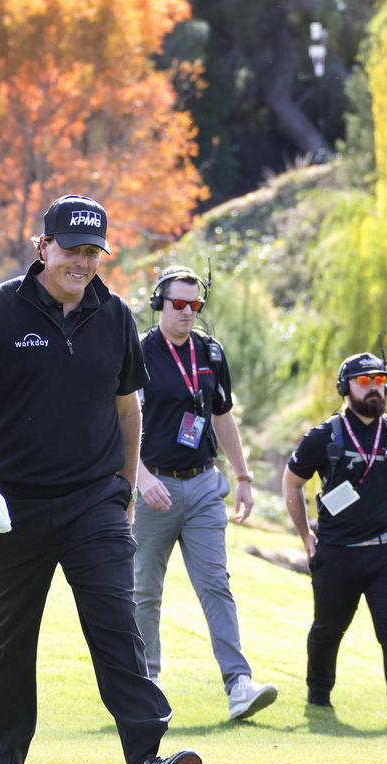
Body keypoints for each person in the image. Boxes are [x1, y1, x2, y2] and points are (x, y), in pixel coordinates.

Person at [0, 194, 202, 764]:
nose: (81, 263)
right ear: (43, 247)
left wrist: (125, 488)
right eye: (71, 249)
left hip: (94, 501)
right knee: (12, 635)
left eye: (92, 253)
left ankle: (146, 761)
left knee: (116, 623)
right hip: (13, 506)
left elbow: (127, 410)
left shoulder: (112, 315)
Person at [132, 264, 278, 721]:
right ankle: (146, 685)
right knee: (144, 592)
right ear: (159, 304)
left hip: (202, 485)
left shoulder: (210, 353)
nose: (188, 313)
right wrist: (139, 476)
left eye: (196, 305)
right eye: (179, 304)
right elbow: (116, 422)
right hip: (153, 488)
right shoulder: (137, 352)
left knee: (216, 585)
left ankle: (239, 684)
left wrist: (244, 477)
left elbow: (221, 416)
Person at [282, 352, 387, 729]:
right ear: (345, 387)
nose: (376, 388)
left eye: (381, 381)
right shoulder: (322, 436)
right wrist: (306, 538)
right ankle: (319, 693)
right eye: (365, 382)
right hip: (337, 555)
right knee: (328, 629)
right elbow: (292, 483)